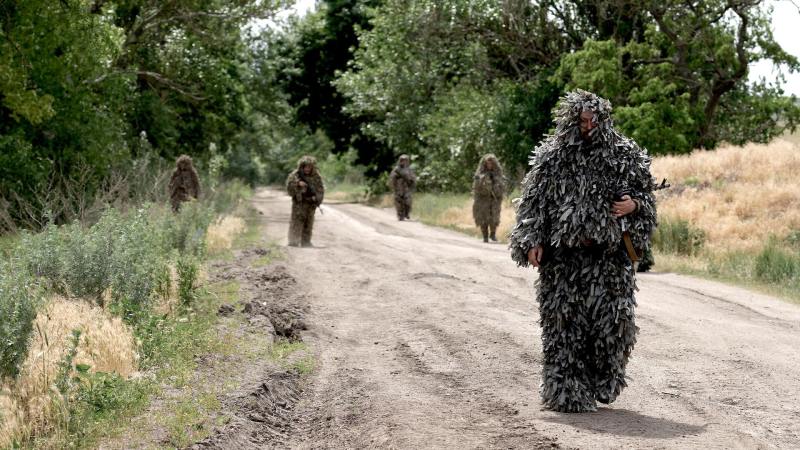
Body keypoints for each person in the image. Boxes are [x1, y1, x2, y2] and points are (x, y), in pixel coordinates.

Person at [508, 90, 659, 413]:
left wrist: (634, 205)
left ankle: (605, 382)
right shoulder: (551, 156)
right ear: (570, 120)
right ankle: (569, 394)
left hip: (610, 259)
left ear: (603, 119)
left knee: (615, 327)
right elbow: (532, 204)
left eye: (593, 120)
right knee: (563, 329)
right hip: (563, 259)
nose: (587, 126)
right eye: (581, 120)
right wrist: (532, 239)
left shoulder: (625, 155)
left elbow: (648, 202)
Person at [286, 156, 325, 247]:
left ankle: (306, 242)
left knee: (308, 223)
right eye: (305, 167)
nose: (307, 169)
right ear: (302, 167)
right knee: (296, 221)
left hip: (310, 205)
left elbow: (321, 190)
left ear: (313, 168)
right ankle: (293, 241)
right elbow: (289, 188)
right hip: (299, 203)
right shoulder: (295, 175)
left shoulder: (317, 177)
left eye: (309, 167)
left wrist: (317, 197)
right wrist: (298, 184)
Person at [472, 154, 506, 242]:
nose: (489, 165)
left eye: (491, 164)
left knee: (494, 217)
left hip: (494, 199)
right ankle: (485, 236)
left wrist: (495, 179)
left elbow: (501, 185)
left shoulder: (498, 173)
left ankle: (493, 233)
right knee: (483, 218)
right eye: (488, 163)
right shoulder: (480, 174)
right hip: (483, 200)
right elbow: (477, 186)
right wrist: (485, 179)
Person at [387, 154, 416, 221]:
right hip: (398, 188)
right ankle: (400, 215)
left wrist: (411, 182)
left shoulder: (409, 169)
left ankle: (406, 213)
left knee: (408, 202)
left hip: (407, 189)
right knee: (399, 203)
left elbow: (413, 178)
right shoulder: (397, 169)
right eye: (402, 160)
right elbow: (392, 179)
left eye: (405, 160)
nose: (404, 162)